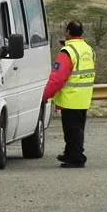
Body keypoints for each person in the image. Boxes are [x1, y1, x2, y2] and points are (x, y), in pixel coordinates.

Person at [42, 20, 96, 168]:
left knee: (72, 130)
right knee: (77, 128)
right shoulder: (88, 49)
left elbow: (58, 78)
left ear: (68, 32)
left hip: (71, 97)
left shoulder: (68, 51)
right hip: (84, 96)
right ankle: (70, 153)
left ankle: (76, 158)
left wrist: (46, 94)